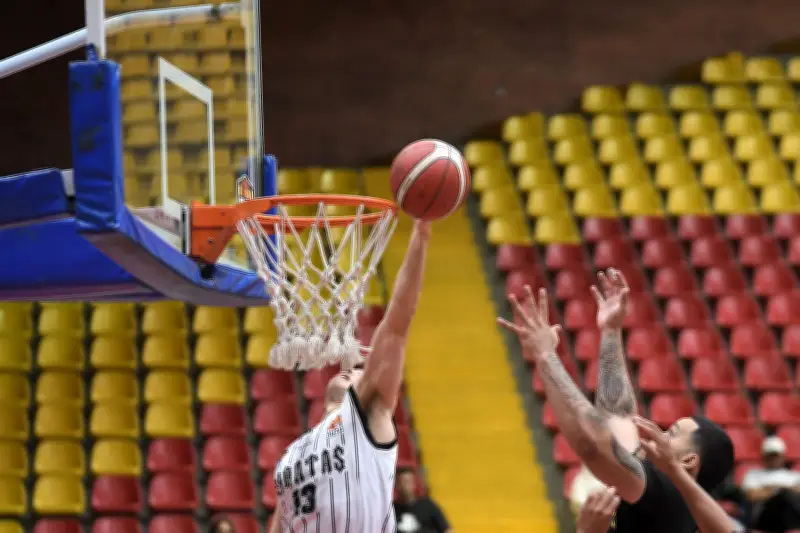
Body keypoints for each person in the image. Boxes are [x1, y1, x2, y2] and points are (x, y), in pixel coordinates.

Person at [497, 268, 734, 533]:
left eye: (671, 433)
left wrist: (546, 356)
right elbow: (618, 415)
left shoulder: (669, 491)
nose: (658, 435)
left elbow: (593, 445)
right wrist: (611, 332)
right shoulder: (671, 502)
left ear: (688, 461)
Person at [269, 220, 431, 533]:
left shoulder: (366, 414)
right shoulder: (291, 456)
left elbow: (396, 326)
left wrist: (421, 238)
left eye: (362, 371)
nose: (353, 369)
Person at [742, 435, 800, 532]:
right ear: (763, 456)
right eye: (769, 455)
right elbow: (752, 495)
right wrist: (782, 490)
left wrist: (770, 488)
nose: (773, 459)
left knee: (788, 498)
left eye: (775, 455)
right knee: (785, 496)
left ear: (782, 456)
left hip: (790, 515)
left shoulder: (794, 475)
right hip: (765, 517)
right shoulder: (752, 475)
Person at [394, 467, 451, 533]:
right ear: (396, 485)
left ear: (414, 483)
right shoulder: (392, 510)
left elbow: (447, 529)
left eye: (408, 481)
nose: (405, 486)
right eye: (402, 482)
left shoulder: (428, 505)